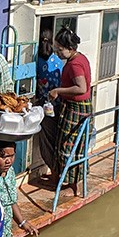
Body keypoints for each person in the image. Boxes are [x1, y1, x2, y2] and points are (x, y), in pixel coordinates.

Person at [38, 27, 92, 191]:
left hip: (76, 108)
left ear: (70, 48)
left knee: (66, 144)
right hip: (77, 106)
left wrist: (58, 91)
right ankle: (65, 178)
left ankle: (61, 180)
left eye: (60, 50)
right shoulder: (79, 58)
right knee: (71, 143)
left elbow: (81, 88)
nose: (58, 53)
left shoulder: (75, 64)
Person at [35, 28, 63, 105]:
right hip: (56, 99)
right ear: (52, 41)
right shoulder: (58, 61)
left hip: (41, 99)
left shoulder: (36, 60)